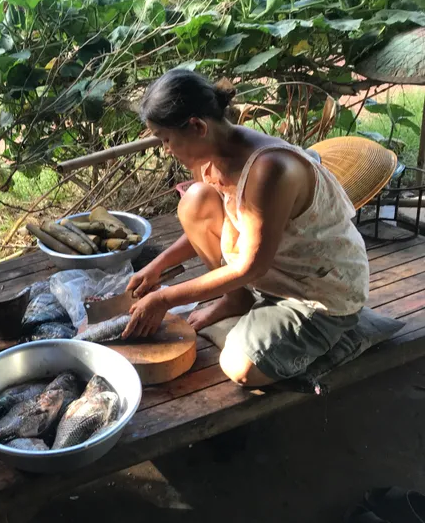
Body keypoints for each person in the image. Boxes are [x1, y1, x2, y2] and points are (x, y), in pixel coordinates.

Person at [123, 69, 370, 388]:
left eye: (167, 139)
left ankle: (344, 334)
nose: (166, 149)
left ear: (197, 126)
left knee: (241, 368)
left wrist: (164, 299)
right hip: (272, 276)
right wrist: (157, 267)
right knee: (195, 202)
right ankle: (236, 300)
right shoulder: (211, 156)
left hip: (317, 291)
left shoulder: (270, 170)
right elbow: (214, 223)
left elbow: (251, 266)